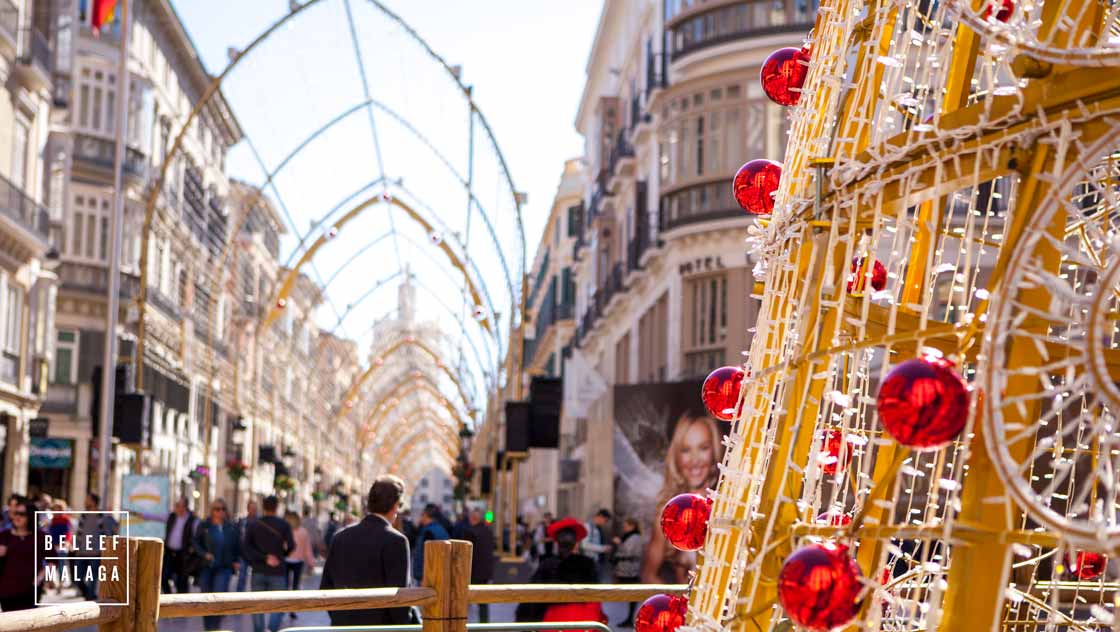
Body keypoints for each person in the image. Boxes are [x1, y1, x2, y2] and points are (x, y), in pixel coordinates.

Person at [320, 475, 412, 626]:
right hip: (381, 628)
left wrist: (341, 617)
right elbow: (400, 598)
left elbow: (326, 587)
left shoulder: (340, 537)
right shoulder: (397, 541)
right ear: (396, 506)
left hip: (343, 627)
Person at [641, 414, 721, 583]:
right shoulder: (668, 514)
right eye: (686, 450)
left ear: (714, 450)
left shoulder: (730, 505)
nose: (695, 460)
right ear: (676, 456)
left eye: (703, 448)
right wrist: (678, 605)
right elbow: (649, 575)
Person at [516, 517, 605, 631]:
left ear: (557, 543)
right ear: (576, 543)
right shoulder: (588, 565)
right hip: (584, 623)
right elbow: (595, 599)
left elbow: (531, 602)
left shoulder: (547, 565)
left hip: (553, 623)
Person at [244, 495, 295, 632]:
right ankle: (272, 630)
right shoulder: (284, 525)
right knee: (279, 604)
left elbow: (247, 547)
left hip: (258, 569)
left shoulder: (254, 524)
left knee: (257, 605)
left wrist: (263, 558)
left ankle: (260, 631)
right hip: (277, 570)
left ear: (263, 506)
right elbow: (291, 545)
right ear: (276, 507)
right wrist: (280, 557)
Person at [194, 499, 241, 631]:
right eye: (217, 509)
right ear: (212, 510)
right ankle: (208, 628)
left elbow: (238, 546)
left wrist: (236, 560)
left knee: (219, 598)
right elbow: (195, 542)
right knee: (205, 599)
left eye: (222, 509)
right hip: (206, 567)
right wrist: (204, 554)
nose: (220, 512)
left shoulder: (231, 527)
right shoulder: (205, 525)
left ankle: (215, 628)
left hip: (224, 567)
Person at [0, 500, 44, 611]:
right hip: (6, 590)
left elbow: (53, 561)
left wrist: (39, 580)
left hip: (30, 590)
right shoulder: (4, 535)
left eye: (22, 514)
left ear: (31, 516)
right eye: (16, 513)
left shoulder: (41, 537)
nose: (17, 517)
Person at [74, 493, 117, 600]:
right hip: (82, 552)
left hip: (96, 552)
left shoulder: (102, 516)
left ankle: (90, 598)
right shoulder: (83, 515)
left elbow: (108, 534)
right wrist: (77, 547)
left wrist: (104, 550)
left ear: (93, 502)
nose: (85, 501)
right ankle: (89, 595)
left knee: (92, 578)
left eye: (87, 499)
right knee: (77, 578)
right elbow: (79, 533)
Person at [462, 509, 495, 622]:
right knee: (483, 601)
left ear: (473, 519)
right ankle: (484, 623)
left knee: (464, 599)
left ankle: (462, 623)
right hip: (485, 572)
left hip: (473, 571)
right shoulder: (488, 531)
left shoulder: (470, 532)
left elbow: (465, 554)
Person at [162, 497, 199, 593]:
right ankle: (168, 597)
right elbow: (153, 516)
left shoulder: (193, 520)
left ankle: (182, 603)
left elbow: (197, 536)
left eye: (179, 505)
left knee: (181, 581)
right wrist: (136, 513)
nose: (177, 508)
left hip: (183, 555)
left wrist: (193, 549)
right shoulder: (171, 517)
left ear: (185, 507)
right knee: (163, 576)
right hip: (170, 552)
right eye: (176, 505)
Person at [284, 510, 316, 619]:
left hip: (286, 560)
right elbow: (307, 549)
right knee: (295, 587)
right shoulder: (303, 532)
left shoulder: (286, 531)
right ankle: (292, 609)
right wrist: (311, 563)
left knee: (284, 586)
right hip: (298, 562)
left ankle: (282, 607)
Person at [612, 518, 643, 627]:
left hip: (630, 570)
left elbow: (628, 551)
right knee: (629, 595)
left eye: (626, 526)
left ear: (632, 526)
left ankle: (630, 619)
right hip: (625, 569)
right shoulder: (629, 536)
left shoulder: (634, 537)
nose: (624, 528)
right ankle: (629, 619)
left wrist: (619, 544)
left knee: (632, 594)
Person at [412, 504, 450, 583]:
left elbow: (429, 556)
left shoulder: (429, 532)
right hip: (438, 574)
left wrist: (425, 577)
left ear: (426, 515)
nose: (421, 517)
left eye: (422, 515)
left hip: (427, 577)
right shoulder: (441, 529)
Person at [45, 500, 73, 594]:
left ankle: (60, 584)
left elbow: (68, 533)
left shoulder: (66, 520)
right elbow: (49, 533)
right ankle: (50, 583)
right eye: (55, 509)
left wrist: (66, 542)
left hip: (62, 546)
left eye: (59, 509)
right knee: (50, 565)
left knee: (61, 565)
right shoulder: (52, 521)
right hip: (52, 546)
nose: (57, 511)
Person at [583, 509, 613, 580]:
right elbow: (584, 545)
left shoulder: (598, 528)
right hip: (590, 561)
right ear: (600, 516)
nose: (605, 523)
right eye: (605, 520)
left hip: (597, 561)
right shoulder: (588, 527)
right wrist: (603, 548)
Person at [235, 499, 258, 592]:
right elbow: (238, 537)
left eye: (255, 508)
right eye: (251, 508)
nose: (253, 510)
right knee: (241, 578)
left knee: (255, 580)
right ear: (248, 509)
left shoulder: (260, 521)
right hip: (243, 554)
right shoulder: (242, 521)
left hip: (255, 554)